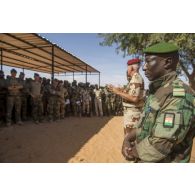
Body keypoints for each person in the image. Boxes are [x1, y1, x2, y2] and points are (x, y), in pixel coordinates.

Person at [122, 42, 195, 163]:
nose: (144, 67)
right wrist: (128, 138)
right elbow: (146, 125)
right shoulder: (158, 90)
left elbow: (161, 144)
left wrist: (132, 151)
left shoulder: (179, 95)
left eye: (149, 61)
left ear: (167, 62)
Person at [108, 58, 144, 135]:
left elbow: (134, 98)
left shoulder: (136, 78)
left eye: (127, 67)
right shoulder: (135, 78)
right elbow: (131, 93)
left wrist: (117, 92)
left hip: (133, 114)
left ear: (131, 68)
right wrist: (119, 90)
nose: (127, 69)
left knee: (129, 139)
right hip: (131, 113)